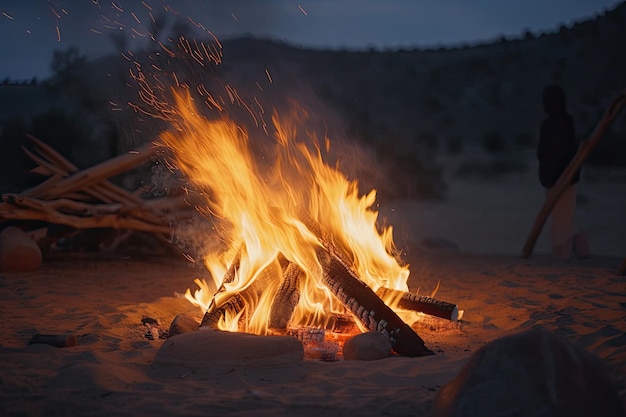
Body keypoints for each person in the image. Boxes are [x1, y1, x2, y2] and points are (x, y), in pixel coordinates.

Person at [537, 84, 580, 259]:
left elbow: (568, 151)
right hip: (557, 179)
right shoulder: (553, 124)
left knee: (562, 216)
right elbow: (544, 152)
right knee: (560, 217)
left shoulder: (563, 123)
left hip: (564, 178)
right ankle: (560, 251)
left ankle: (562, 251)